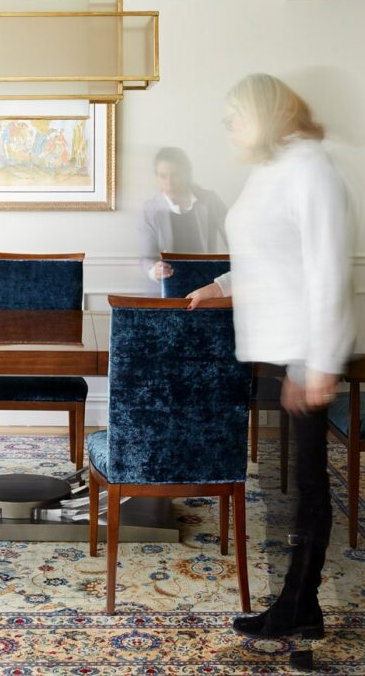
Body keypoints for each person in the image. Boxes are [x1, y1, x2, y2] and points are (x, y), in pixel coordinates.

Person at [188, 73, 355, 640]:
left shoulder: (311, 170)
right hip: (282, 350)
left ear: (263, 114)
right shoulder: (271, 170)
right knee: (295, 483)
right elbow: (268, 253)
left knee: (308, 484)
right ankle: (301, 606)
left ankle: (299, 606)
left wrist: (319, 365)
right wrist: (220, 285)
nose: (229, 127)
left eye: (236, 116)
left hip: (306, 350)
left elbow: (328, 271)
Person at [137, 147, 227, 284]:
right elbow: (146, 257)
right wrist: (154, 270)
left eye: (175, 175)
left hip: (207, 283)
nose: (169, 182)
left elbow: (233, 236)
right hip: (167, 287)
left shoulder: (210, 200)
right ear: (156, 177)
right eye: (163, 176)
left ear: (187, 173)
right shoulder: (150, 210)